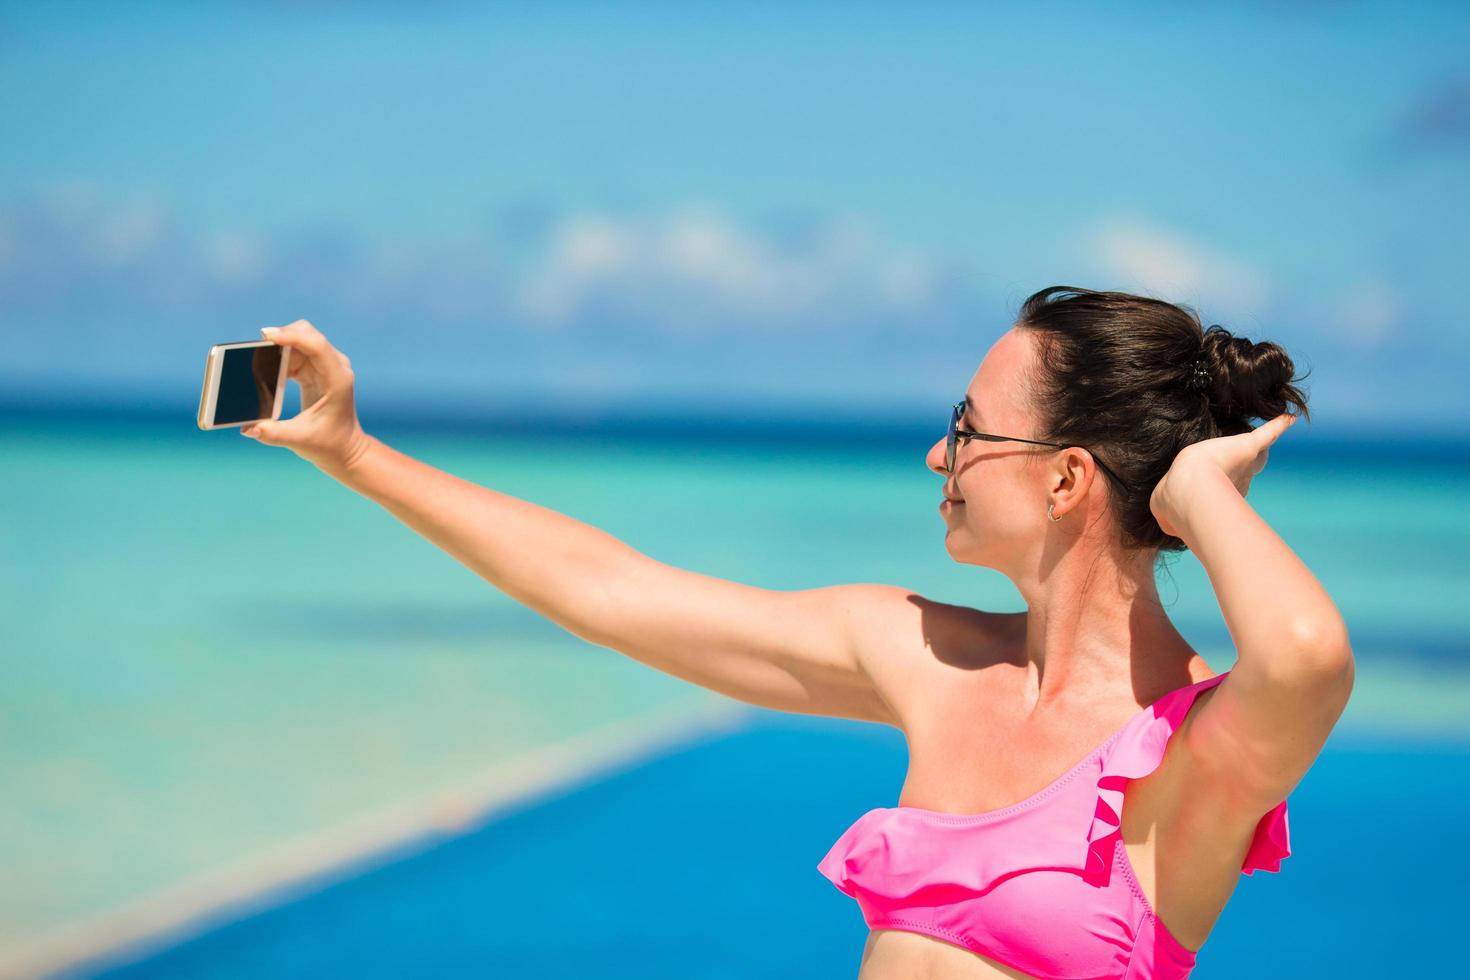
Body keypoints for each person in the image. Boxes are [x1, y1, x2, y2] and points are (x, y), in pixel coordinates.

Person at [240, 285, 1354, 979]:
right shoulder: (926, 655)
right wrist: (353, 452)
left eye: (968, 431)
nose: (939, 457)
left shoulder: (1199, 747)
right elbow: (609, 588)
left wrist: (1203, 491)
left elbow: (1306, 652)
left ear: (1067, 475)